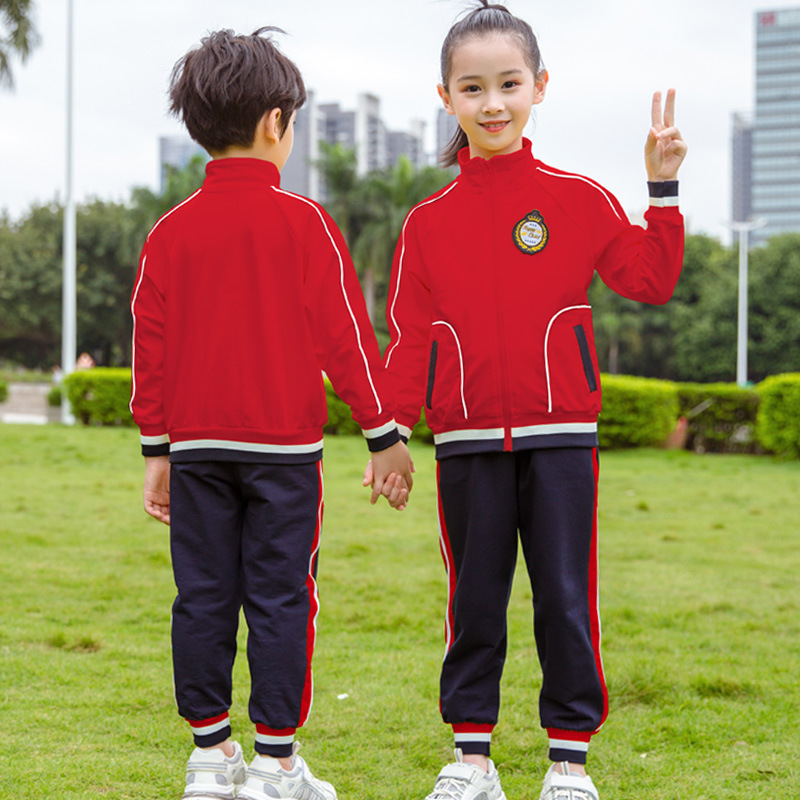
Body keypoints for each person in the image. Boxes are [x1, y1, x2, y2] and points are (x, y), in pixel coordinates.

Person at [381, 4, 687, 800]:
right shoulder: (426, 223)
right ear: (445, 96)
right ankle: (471, 759)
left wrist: (661, 185)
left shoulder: (578, 199)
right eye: (472, 87)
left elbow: (650, 278)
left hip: (561, 441)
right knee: (473, 601)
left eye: (509, 84)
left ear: (539, 86)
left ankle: (568, 762)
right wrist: (390, 435)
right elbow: (409, 336)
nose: (492, 103)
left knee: (564, 595)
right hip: (465, 443)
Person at [129, 28, 413, 800]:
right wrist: (383, 434)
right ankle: (277, 764)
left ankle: (209, 756)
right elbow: (348, 340)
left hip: (194, 454)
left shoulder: (168, 233)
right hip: (284, 455)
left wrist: (156, 451)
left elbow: (147, 348)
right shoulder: (307, 223)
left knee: (204, 596)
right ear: (275, 123)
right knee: (284, 596)